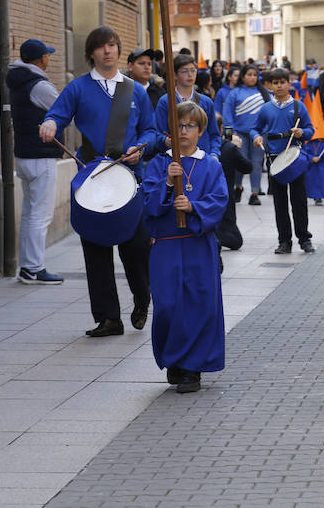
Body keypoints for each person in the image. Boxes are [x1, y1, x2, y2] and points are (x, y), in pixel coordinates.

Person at [40, 26, 155, 337]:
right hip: (91, 174)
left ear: (119, 51)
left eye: (113, 45)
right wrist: (50, 124)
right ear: (91, 53)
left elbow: (152, 131)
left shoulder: (136, 91)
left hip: (129, 176)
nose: (108, 50)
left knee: (136, 246)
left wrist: (139, 148)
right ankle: (108, 318)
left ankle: (143, 299)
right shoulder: (78, 88)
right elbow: (57, 115)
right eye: (102, 46)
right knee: (95, 248)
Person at [142, 102, 229, 394]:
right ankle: (174, 359)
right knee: (168, 306)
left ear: (201, 131)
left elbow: (219, 201)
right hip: (166, 245)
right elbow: (149, 206)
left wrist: (193, 207)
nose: (183, 131)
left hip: (197, 244)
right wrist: (167, 182)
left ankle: (192, 368)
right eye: (178, 126)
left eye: (190, 126)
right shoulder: (158, 163)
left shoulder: (211, 165)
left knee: (199, 305)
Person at [6, 38, 64, 285]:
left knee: (30, 214)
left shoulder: (18, 81)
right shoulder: (39, 85)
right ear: (41, 59)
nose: (49, 59)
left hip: (24, 155)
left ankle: (28, 267)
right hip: (41, 157)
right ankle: (33, 267)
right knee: (40, 215)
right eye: (47, 55)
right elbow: (64, 109)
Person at [252, 68, 316, 254]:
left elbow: (311, 129)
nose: (279, 86)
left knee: (299, 201)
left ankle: (304, 239)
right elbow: (255, 129)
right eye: (275, 83)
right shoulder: (265, 109)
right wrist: (257, 137)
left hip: (294, 159)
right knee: (279, 203)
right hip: (274, 160)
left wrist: (302, 132)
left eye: (282, 82)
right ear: (270, 85)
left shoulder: (298, 106)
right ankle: (284, 241)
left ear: (289, 83)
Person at [155, 54, 221, 160]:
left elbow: (214, 134)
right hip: (176, 160)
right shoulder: (165, 101)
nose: (190, 75)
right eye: (184, 71)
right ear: (175, 75)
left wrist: (214, 154)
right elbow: (157, 133)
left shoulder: (206, 102)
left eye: (193, 70)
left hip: (203, 159)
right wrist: (165, 140)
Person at [223, 64, 266, 204]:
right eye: (249, 74)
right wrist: (230, 136)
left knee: (257, 163)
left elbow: (269, 115)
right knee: (239, 162)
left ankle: (254, 193)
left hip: (258, 135)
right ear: (243, 76)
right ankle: (238, 187)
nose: (252, 77)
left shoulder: (264, 93)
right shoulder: (235, 93)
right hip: (239, 134)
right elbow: (227, 115)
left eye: (255, 74)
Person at [215, 113, 252, 251]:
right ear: (220, 128)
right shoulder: (227, 148)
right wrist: (236, 149)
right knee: (236, 241)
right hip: (225, 205)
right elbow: (248, 167)